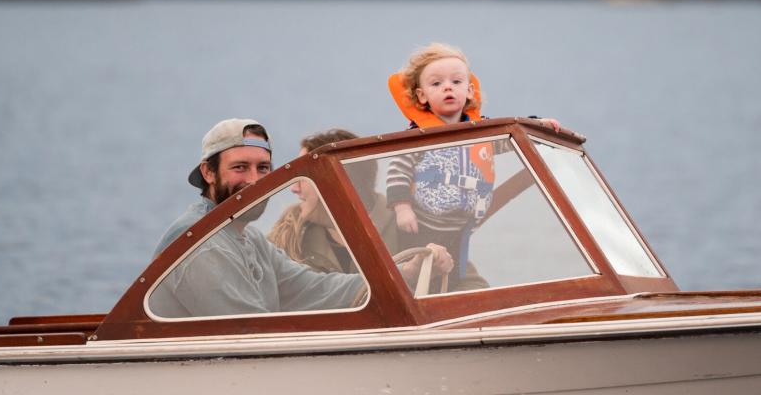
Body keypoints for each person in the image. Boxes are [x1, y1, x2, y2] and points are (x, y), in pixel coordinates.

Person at [149, 118, 453, 318]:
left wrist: (408, 273)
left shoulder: (247, 237)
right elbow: (247, 331)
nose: (255, 181)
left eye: (264, 169)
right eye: (240, 168)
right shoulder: (201, 241)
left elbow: (314, 288)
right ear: (208, 172)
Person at [385, 43, 559, 289]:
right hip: (421, 225)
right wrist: (402, 208)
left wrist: (538, 126)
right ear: (422, 95)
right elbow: (397, 170)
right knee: (423, 276)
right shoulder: (417, 136)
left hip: (460, 227)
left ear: (469, 91)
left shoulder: (482, 131)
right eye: (436, 83)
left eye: (456, 82)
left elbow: (507, 140)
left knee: (454, 277)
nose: (447, 87)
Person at [268, 128, 398, 274]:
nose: (294, 188)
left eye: (303, 176)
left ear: (337, 180)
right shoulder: (288, 244)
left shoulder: (408, 223)